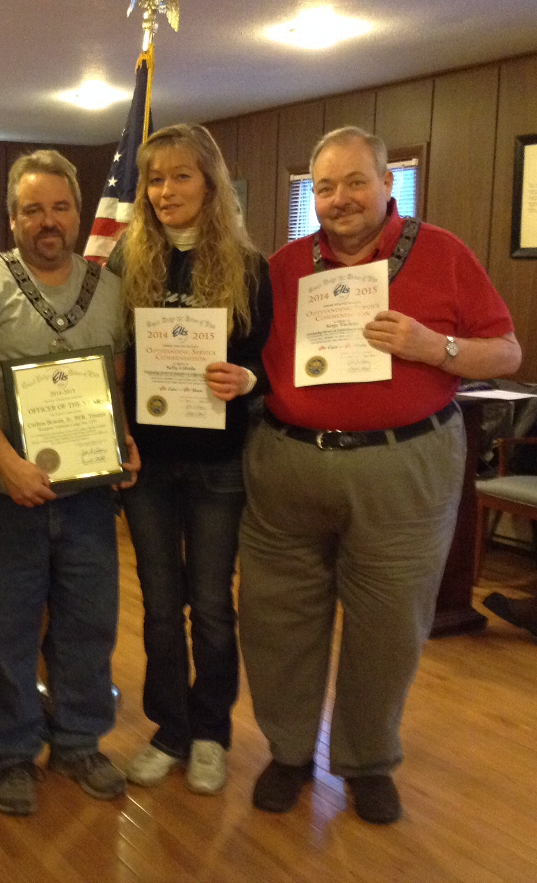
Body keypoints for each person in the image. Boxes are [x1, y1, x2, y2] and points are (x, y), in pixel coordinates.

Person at [238, 126, 521, 825]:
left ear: (387, 183)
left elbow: (507, 352)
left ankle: (367, 759)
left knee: (389, 622)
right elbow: (257, 354)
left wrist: (436, 346)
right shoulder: (284, 264)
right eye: (325, 187)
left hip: (405, 464)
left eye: (355, 181)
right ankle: (290, 751)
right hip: (289, 463)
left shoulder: (444, 253)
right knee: (277, 616)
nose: (340, 199)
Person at [0, 149, 139, 816]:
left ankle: (79, 741)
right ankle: (11, 753)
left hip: (88, 496)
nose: (48, 220)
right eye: (32, 209)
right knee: (7, 630)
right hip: (0, 493)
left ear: (77, 212)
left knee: (88, 624)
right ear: (12, 219)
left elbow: (112, 385)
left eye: (60, 207)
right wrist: (7, 462)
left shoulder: (109, 287)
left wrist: (124, 440)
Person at [105, 124, 272, 794]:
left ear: (210, 182)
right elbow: (116, 362)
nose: (166, 190)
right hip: (148, 463)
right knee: (159, 603)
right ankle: (169, 728)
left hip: (217, 463)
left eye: (180, 175)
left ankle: (211, 732)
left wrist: (247, 380)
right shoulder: (127, 261)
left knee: (209, 604)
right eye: (155, 178)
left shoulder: (249, 266)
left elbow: (263, 359)